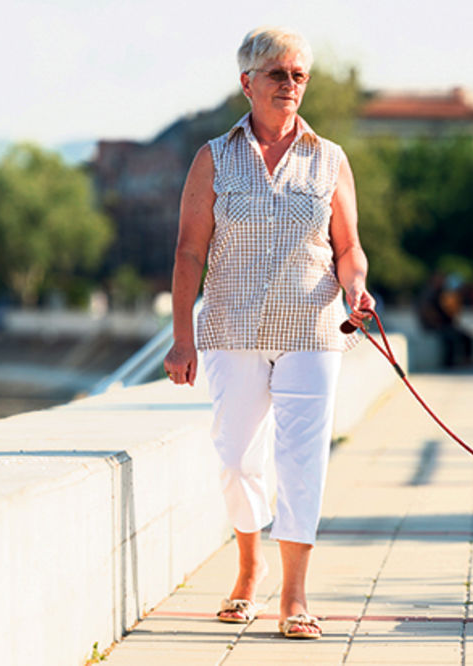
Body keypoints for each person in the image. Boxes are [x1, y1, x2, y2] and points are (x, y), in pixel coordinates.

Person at [162, 27, 374, 640]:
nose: (290, 85)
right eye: (278, 74)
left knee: (302, 461)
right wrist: (182, 338)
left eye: (300, 75)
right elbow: (187, 252)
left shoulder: (329, 158)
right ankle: (249, 562)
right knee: (234, 458)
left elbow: (349, 245)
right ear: (247, 81)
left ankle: (295, 594)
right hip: (229, 328)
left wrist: (356, 286)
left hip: (312, 328)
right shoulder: (213, 157)